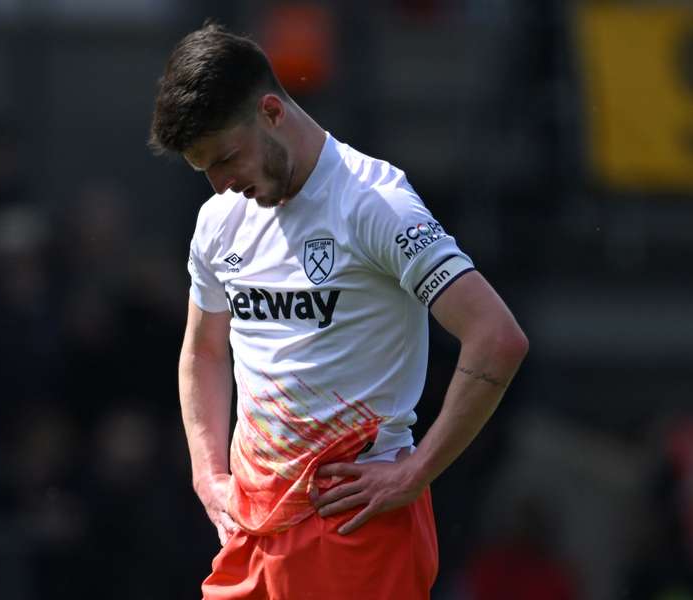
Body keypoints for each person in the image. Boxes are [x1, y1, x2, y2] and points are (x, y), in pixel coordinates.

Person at [149, 23, 528, 600]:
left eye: (227, 157)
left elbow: (497, 337)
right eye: (206, 171)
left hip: (354, 523)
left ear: (272, 112)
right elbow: (203, 350)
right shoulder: (219, 219)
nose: (222, 184)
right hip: (252, 526)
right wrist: (208, 475)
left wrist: (415, 471)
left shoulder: (374, 204)